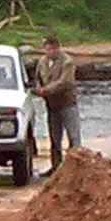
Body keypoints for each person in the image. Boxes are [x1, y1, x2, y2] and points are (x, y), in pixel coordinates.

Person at [33, 34, 81, 172]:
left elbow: (64, 82)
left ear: (58, 48)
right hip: (51, 105)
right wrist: (37, 88)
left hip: (68, 104)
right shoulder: (42, 61)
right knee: (54, 138)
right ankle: (55, 167)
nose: (49, 53)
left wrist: (45, 91)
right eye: (47, 50)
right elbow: (37, 78)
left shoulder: (67, 62)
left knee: (74, 137)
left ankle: (76, 169)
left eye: (52, 50)